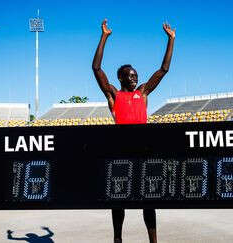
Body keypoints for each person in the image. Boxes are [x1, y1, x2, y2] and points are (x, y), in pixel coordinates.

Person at [92, 19, 175, 243]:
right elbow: (97, 69)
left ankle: (153, 241)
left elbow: (164, 69)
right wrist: (104, 37)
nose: (135, 77)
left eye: (136, 75)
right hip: (121, 150)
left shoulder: (144, 92)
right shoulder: (114, 96)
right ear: (121, 78)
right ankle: (117, 239)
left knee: (149, 200)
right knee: (118, 200)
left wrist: (171, 39)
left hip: (144, 150)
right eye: (130, 75)